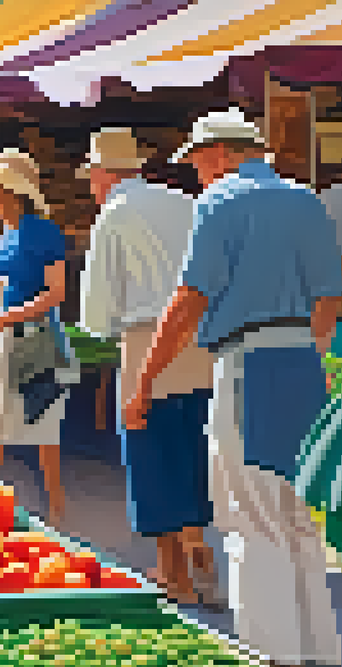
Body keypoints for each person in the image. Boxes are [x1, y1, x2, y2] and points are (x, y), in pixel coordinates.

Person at [126, 109, 342, 667]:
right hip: (301, 360)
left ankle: (267, 652)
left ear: (220, 154)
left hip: (246, 361)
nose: (197, 172)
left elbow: (188, 301)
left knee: (248, 508)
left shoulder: (219, 203)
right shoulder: (307, 201)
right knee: (297, 508)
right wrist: (306, 350)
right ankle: (315, 646)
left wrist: (146, 378)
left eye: (198, 160)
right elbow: (328, 299)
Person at [79, 128, 218, 604]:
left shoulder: (114, 215)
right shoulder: (187, 202)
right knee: (195, 445)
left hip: (145, 339)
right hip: (201, 336)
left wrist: (99, 332)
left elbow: (98, 307)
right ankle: (200, 544)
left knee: (150, 452)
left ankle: (173, 571)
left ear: (103, 176)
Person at [0, 149, 74, 527]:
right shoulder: (8, 233)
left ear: (7, 192)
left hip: (37, 337)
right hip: (11, 334)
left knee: (38, 426)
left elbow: (56, 292)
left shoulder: (43, 231)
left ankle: (54, 510)